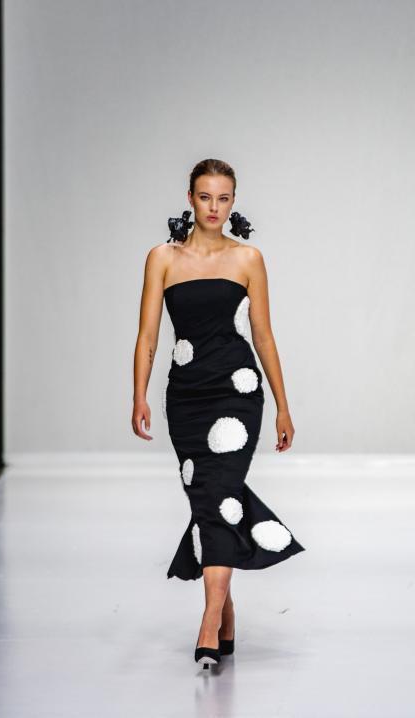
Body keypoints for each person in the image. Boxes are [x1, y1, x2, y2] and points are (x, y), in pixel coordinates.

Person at [131, 158, 305, 669]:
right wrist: (138, 395)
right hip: (185, 396)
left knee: (221, 497)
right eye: (205, 197)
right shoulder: (162, 258)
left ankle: (209, 624)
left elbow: (263, 335)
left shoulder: (247, 258)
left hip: (236, 391)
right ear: (190, 198)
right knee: (210, 501)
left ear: (233, 202)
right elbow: (147, 335)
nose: (214, 207)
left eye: (223, 198)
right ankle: (226, 612)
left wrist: (283, 405)